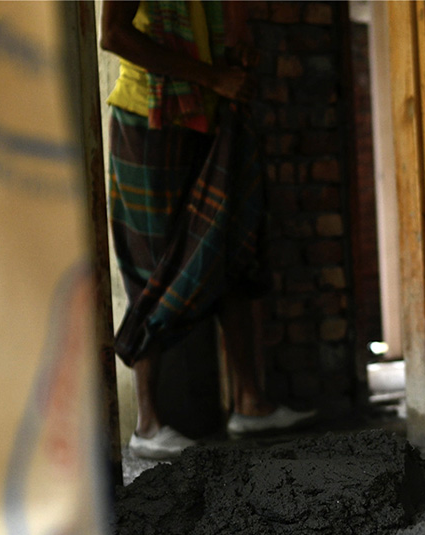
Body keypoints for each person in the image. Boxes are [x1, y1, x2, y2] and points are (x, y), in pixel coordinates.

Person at [101, 0, 315, 460]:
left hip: (210, 115)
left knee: (229, 245)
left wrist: (230, 65)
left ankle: (250, 403)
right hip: (150, 120)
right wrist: (212, 76)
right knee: (154, 265)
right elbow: (113, 35)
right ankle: (147, 425)